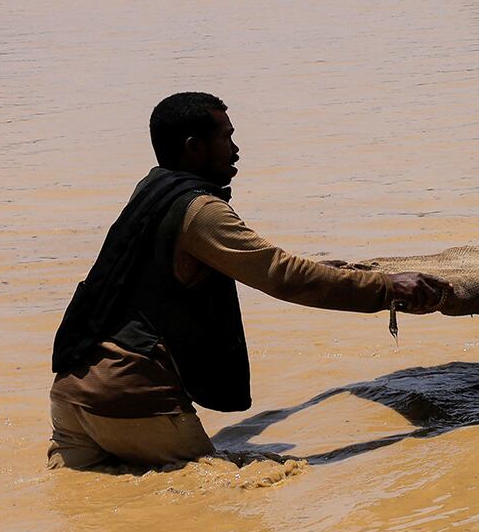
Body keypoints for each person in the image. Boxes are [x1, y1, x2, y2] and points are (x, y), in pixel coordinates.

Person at [49, 92, 444, 470]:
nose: (236, 149)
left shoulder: (151, 192)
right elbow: (284, 277)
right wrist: (388, 287)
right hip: (134, 400)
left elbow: (188, 274)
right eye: (226, 137)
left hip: (72, 397)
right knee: (219, 506)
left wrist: (336, 270)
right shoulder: (200, 211)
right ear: (193, 147)